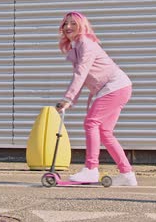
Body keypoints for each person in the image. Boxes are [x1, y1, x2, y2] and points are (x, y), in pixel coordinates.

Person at [56, 11, 137, 186]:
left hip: (114, 86)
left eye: (73, 23)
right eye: (65, 24)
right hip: (114, 87)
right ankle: (127, 174)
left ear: (82, 26)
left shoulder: (86, 44)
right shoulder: (76, 47)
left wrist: (68, 98)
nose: (68, 27)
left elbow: (81, 72)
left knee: (91, 123)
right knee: (105, 132)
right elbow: (80, 77)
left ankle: (91, 169)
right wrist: (70, 100)